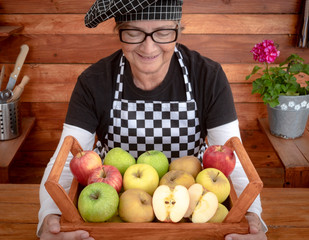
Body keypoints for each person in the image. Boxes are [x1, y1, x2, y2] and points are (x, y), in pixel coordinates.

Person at [37, 0, 268, 239]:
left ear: (178, 31)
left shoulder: (207, 76)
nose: (149, 48)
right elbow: (66, 161)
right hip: (115, 212)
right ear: (119, 33)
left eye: (163, 32)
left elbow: (234, 158)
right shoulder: (93, 81)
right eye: (134, 33)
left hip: (192, 209)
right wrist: (50, 216)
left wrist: (252, 217)